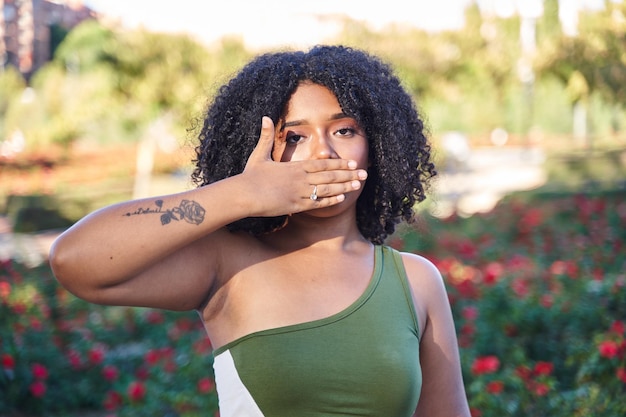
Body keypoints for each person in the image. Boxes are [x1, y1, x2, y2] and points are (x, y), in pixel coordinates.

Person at [50, 45, 471, 417]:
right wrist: (243, 194)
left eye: (344, 130)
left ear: (376, 145)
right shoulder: (227, 263)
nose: (322, 151)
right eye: (294, 136)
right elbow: (75, 260)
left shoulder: (415, 281)